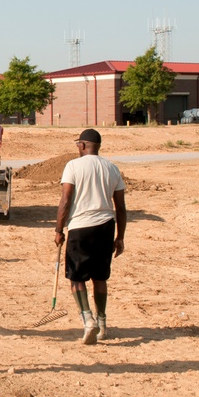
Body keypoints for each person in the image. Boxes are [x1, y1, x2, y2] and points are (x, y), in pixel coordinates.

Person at [55, 128, 126, 344]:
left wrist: (59, 229)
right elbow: (120, 207)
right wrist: (120, 237)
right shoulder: (112, 168)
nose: (77, 147)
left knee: (77, 278)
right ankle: (102, 323)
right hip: (106, 227)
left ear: (83, 145)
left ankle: (88, 320)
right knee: (100, 278)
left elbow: (66, 200)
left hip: (80, 227)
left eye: (78, 144)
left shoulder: (73, 167)